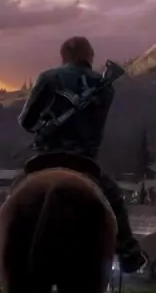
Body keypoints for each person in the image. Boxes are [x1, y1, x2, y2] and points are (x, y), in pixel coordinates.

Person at [18, 35, 148, 274]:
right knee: (114, 198)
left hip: (46, 159)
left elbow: (26, 122)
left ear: (64, 56)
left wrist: (48, 124)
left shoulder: (48, 78)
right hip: (84, 161)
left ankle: (4, 250)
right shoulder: (105, 88)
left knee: (13, 197)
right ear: (89, 56)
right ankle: (128, 250)